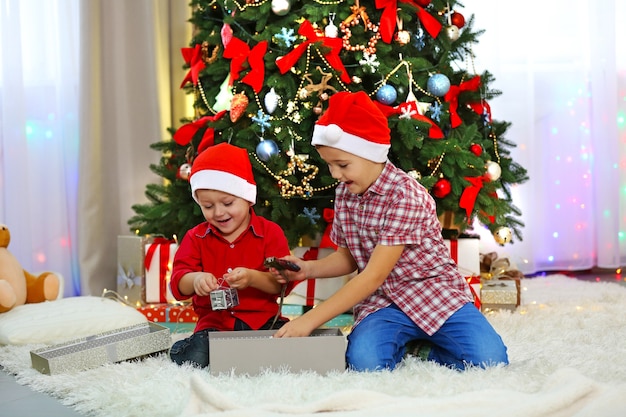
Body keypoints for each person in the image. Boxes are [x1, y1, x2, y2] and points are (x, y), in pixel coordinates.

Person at [270, 91, 509, 372]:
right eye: (329, 165)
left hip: (433, 292)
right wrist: (308, 270)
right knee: (365, 364)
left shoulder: (406, 195)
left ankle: (423, 350)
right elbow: (349, 259)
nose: (335, 174)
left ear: (371, 152)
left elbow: (373, 275)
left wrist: (310, 320)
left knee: (491, 361)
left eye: (343, 165)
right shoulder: (346, 194)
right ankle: (402, 343)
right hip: (382, 302)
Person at [169, 142, 295, 368]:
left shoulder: (270, 233)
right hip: (215, 326)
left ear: (248, 198)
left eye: (228, 203)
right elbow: (178, 282)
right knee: (196, 360)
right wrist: (196, 280)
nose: (218, 212)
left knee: (287, 349)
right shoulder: (196, 238)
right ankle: (183, 347)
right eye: (207, 206)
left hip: (263, 322)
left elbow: (282, 284)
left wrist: (252, 278)